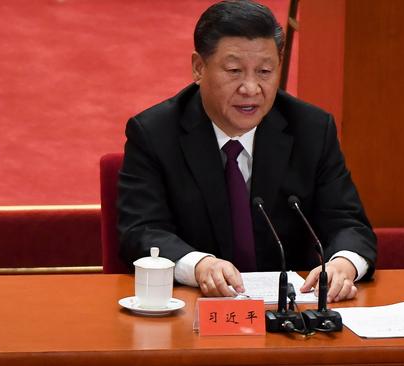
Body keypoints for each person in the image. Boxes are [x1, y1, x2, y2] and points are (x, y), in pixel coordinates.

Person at [118, 0, 377, 303]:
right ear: (199, 68)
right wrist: (199, 264)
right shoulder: (154, 133)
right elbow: (141, 231)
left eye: (265, 71)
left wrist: (343, 264)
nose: (251, 88)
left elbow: (349, 224)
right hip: (195, 313)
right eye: (234, 71)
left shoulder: (311, 129)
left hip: (293, 317)